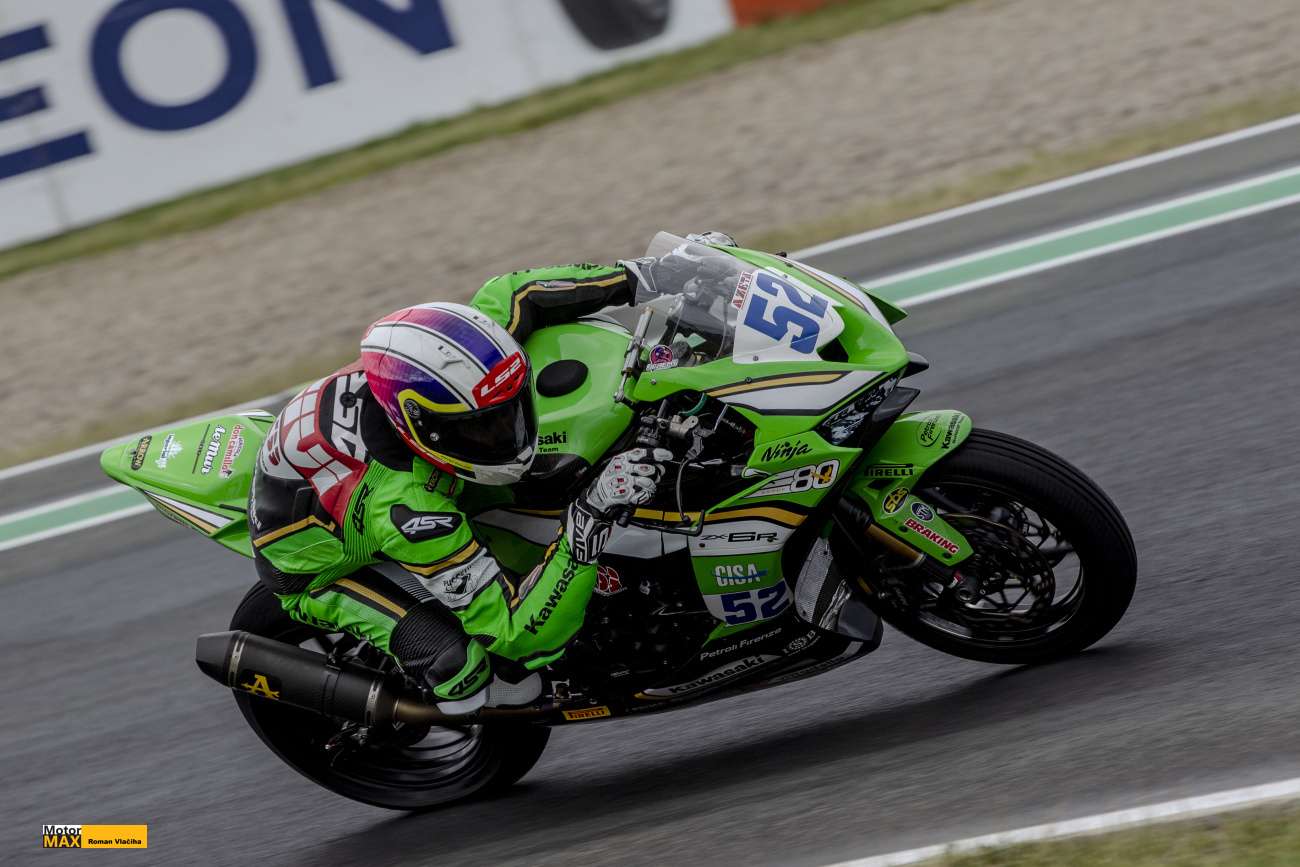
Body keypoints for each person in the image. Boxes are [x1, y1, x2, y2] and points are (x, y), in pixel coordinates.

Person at [248, 233, 736, 714]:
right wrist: (589, 518)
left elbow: (517, 293)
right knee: (468, 674)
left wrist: (652, 274)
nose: (508, 435)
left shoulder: (467, 357)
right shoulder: (405, 508)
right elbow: (517, 635)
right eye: (482, 428)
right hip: (319, 566)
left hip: (370, 469)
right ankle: (463, 698)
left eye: (511, 413)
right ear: (422, 426)